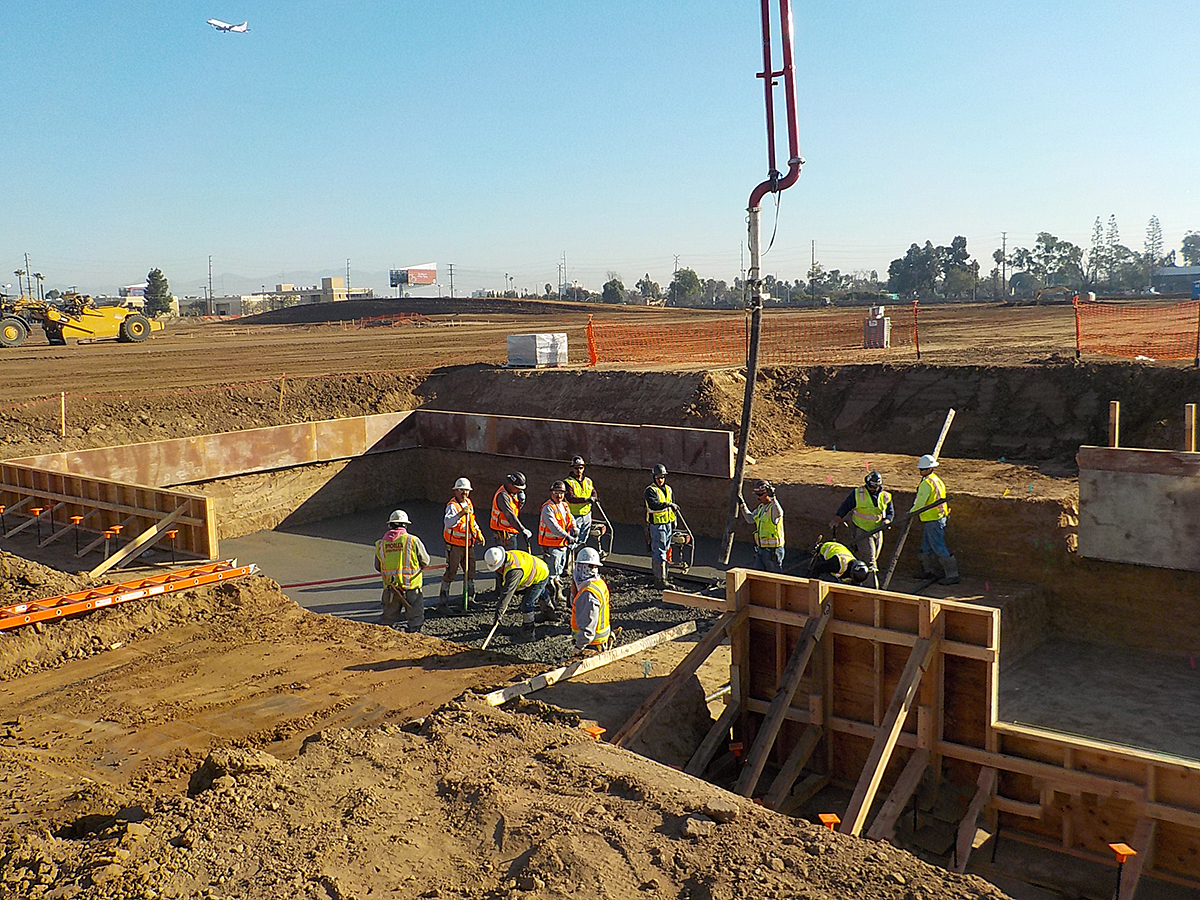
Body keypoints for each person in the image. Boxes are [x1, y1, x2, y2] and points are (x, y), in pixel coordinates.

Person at [829, 471, 894, 588]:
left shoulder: (885, 496)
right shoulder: (858, 493)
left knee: (872, 557)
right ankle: (872, 589)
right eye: (869, 486)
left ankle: (856, 579)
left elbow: (890, 512)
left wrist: (887, 520)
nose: (871, 489)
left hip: (877, 531)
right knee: (870, 562)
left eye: (874, 487)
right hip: (862, 530)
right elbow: (846, 506)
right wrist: (836, 519)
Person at [374, 509, 430, 632]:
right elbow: (425, 561)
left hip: (391, 589)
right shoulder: (412, 540)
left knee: (388, 621)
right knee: (415, 619)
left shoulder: (380, 544)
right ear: (405, 525)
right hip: (411, 587)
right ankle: (415, 638)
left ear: (390, 525)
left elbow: (378, 566)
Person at [483, 546, 550, 641]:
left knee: (527, 604)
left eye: (497, 568)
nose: (497, 570)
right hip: (533, 570)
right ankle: (549, 611)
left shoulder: (513, 571)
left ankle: (529, 633)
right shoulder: (506, 556)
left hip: (540, 574)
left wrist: (499, 614)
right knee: (538, 591)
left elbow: (507, 593)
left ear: (501, 563)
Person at [910, 454, 958, 584]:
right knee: (926, 546)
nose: (920, 472)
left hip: (934, 519)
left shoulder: (927, 484)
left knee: (938, 546)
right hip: (934, 518)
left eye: (922, 469)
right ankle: (929, 571)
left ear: (929, 469)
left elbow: (920, 502)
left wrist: (910, 513)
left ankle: (952, 575)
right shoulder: (937, 480)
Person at [440, 476, 486, 609]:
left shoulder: (469, 503)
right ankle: (443, 602)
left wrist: (478, 533)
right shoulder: (452, 506)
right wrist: (460, 514)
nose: (464, 493)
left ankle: (469, 598)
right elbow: (448, 522)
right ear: (455, 491)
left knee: (470, 572)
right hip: (454, 546)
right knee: (451, 572)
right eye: (461, 490)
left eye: (466, 491)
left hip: (468, 545)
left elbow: (472, 521)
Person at [538, 480, 577, 620]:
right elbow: (553, 527)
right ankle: (548, 604)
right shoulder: (547, 508)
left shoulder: (565, 505)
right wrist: (567, 535)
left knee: (559, 571)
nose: (559, 496)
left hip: (562, 545)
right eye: (556, 493)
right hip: (551, 546)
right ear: (551, 493)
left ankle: (557, 595)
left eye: (561, 493)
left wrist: (574, 527)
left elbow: (570, 518)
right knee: (551, 574)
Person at [490, 472, 531, 588]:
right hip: (503, 533)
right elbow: (510, 516)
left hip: (510, 531)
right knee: (505, 561)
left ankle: (506, 587)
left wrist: (521, 502)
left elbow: (515, 511)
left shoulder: (513, 494)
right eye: (517, 488)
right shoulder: (502, 496)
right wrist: (523, 530)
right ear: (510, 484)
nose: (519, 490)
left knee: (509, 560)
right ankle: (503, 588)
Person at [571, 547, 611, 655]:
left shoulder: (587, 594)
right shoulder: (599, 583)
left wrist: (578, 648)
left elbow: (587, 631)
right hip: (600, 642)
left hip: (591, 646)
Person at [740, 479, 785, 573]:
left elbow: (779, 513)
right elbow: (750, 519)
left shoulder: (773, 508)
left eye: (760, 495)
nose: (758, 498)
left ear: (768, 494)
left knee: (774, 577)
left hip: (773, 551)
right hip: (761, 549)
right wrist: (742, 505)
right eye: (756, 495)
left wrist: (773, 498)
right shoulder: (761, 508)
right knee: (758, 575)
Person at [644, 463, 678, 588]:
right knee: (659, 551)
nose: (661, 480)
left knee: (666, 549)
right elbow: (654, 505)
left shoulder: (668, 489)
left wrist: (674, 519)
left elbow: (672, 504)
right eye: (658, 478)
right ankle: (660, 580)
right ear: (654, 477)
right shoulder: (650, 490)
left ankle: (665, 575)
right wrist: (668, 505)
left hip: (668, 523)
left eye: (662, 477)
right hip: (657, 525)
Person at [564, 456, 597, 554]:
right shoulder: (568, 482)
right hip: (574, 516)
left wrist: (594, 497)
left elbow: (593, 491)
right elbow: (570, 498)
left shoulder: (588, 481)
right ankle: (570, 559)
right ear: (572, 468)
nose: (578, 470)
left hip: (586, 514)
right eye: (576, 468)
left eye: (581, 468)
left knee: (583, 539)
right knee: (573, 539)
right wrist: (586, 499)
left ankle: (579, 556)